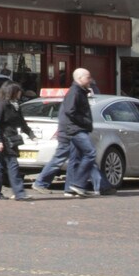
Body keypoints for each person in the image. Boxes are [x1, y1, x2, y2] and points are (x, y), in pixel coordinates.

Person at [47, 68, 99, 197]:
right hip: (76, 130)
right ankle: (77, 184)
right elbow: (71, 111)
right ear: (80, 78)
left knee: (75, 159)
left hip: (76, 129)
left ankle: (71, 188)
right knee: (90, 153)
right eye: (88, 77)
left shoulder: (80, 91)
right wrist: (85, 122)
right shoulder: (74, 92)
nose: (90, 80)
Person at [0, 83, 36, 201]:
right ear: (12, 92)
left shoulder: (15, 105)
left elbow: (21, 122)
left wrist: (30, 134)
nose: (20, 94)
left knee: (0, 167)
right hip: (4, 140)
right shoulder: (1, 105)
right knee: (13, 165)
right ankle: (19, 193)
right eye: (18, 91)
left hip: (11, 139)